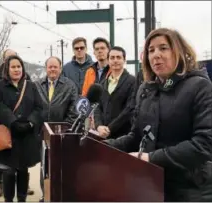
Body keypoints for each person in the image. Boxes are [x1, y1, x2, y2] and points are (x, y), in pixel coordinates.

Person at [104, 28, 212, 201]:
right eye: (151, 50)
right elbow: (136, 136)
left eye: (163, 48)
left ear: (179, 51)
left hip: (191, 188)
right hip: (152, 185)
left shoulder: (200, 87)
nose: (156, 55)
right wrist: (102, 145)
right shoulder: (146, 90)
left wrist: (150, 158)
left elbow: (204, 144)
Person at [0, 55, 43, 202]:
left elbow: (39, 107)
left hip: (26, 134)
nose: (16, 69)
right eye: (13, 67)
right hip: (7, 134)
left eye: (19, 67)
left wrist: (30, 122)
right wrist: (13, 122)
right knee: (9, 171)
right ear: (7, 69)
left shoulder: (31, 86)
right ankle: (8, 199)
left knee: (23, 170)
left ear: (22, 68)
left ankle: (22, 199)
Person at [35, 56, 78, 202]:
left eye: (55, 67)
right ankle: (45, 194)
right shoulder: (37, 85)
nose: (52, 69)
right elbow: (33, 108)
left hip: (62, 134)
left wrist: (64, 129)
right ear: (46, 68)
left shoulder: (69, 85)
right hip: (42, 134)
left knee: (61, 166)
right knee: (44, 165)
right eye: (50, 67)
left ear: (60, 68)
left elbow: (73, 111)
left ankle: (60, 194)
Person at [94, 46, 136, 139]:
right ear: (108, 61)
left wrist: (110, 128)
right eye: (112, 58)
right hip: (103, 135)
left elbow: (129, 109)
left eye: (118, 57)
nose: (115, 60)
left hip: (123, 136)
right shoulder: (102, 84)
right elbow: (97, 107)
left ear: (124, 60)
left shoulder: (132, 81)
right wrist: (98, 126)